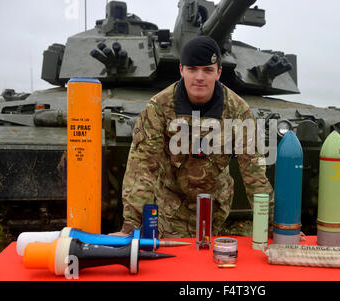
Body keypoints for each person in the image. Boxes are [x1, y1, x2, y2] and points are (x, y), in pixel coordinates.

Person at [110, 36, 273, 238]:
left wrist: (273, 224)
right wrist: (130, 227)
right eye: (192, 69)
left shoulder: (237, 111)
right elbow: (142, 167)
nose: (199, 77)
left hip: (217, 207)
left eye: (207, 70)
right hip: (172, 207)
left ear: (219, 72)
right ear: (181, 70)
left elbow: (254, 172)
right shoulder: (159, 108)